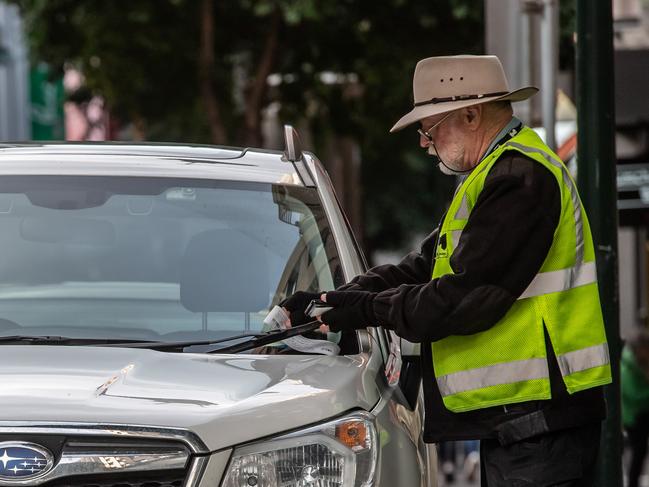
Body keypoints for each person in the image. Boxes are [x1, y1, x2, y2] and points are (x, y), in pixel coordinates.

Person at [281, 55, 612, 486]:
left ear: (472, 115)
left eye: (430, 128)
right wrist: (338, 299)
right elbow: (424, 267)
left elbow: (466, 297)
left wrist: (363, 310)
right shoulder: (494, 174)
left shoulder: (519, 177)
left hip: (540, 422)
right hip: (526, 421)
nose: (424, 142)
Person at [622, 329, 649, 487]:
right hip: (634, 416)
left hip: (642, 413)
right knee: (638, 454)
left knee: (639, 453)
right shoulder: (627, 367)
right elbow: (634, 396)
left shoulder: (640, 363)